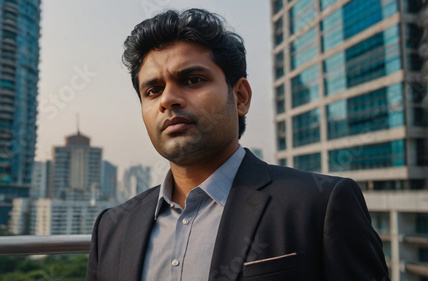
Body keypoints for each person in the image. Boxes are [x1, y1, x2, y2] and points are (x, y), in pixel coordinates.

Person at [86, 8, 390, 281]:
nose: (168, 100)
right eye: (153, 90)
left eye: (192, 80)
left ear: (240, 97)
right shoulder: (112, 228)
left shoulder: (320, 205)